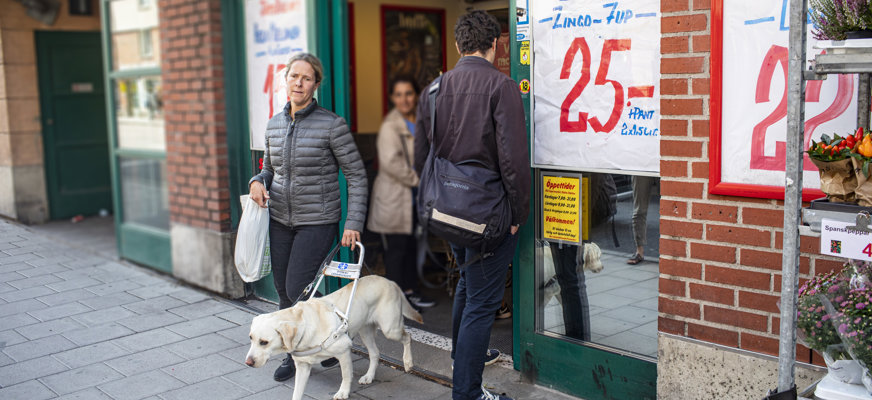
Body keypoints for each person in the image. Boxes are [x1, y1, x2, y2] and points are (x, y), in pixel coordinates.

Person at [414, 11, 530, 400]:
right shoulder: (503, 87)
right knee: (482, 302)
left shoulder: (433, 89)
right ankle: (468, 393)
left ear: (459, 44)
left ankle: (464, 359)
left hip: (447, 210)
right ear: (495, 45)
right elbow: (513, 160)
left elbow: (420, 157)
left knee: (468, 283)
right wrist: (518, 215)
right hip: (489, 215)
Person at [248, 52, 368, 382]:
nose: (299, 82)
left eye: (306, 78)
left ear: (316, 84)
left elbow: (356, 174)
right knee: (284, 291)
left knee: (296, 286)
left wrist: (353, 222)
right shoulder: (273, 124)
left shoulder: (332, 124)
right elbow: (269, 169)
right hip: (281, 219)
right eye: (293, 76)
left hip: (318, 219)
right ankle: (305, 348)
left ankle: (306, 351)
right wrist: (257, 182)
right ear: (285, 80)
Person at [367, 76, 435, 309]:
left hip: (414, 197)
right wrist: (423, 181)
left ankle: (410, 291)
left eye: (408, 93)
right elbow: (392, 164)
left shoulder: (420, 121)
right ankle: (394, 302)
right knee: (396, 250)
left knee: (412, 245)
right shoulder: (390, 126)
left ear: (415, 96)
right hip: (394, 198)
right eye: (399, 94)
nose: (404, 99)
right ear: (392, 98)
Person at [549, 243, 590, 340]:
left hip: (571, 234)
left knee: (572, 283)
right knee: (564, 282)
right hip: (557, 233)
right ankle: (572, 333)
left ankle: (578, 337)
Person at [627, 176, 657, 265]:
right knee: (639, 210)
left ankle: (672, 252)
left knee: (670, 210)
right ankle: (639, 252)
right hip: (642, 165)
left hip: (665, 164)